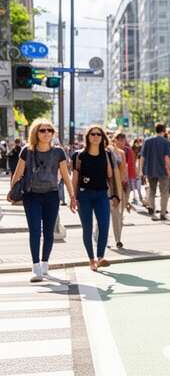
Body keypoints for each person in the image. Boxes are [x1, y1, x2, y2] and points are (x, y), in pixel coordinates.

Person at [9, 119, 74, 282]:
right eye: (43, 130)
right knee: (35, 231)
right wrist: (12, 192)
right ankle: (36, 267)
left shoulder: (58, 152)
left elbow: (66, 177)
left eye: (49, 130)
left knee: (49, 232)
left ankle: (45, 264)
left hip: (52, 195)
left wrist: (72, 197)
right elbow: (17, 174)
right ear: (35, 133)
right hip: (31, 196)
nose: (46, 133)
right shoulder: (27, 151)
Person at [71, 126, 121, 271]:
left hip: (101, 194)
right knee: (87, 228)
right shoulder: (79, 155)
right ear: (87, 137)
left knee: (104, 225)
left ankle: (100, 257)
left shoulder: (107, 154)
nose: (95, 136)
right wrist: (73, 197)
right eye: (92, 134)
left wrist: (116, 195)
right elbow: (75, 178)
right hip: (84, 195)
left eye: (99, 134)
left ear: (102, 137)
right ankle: (91, 259)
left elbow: (111, 176)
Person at [140, 123, 170, 221]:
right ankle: (163, 213)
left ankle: (152, 211)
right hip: (163, 171)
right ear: (164, 131)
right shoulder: (166, 142)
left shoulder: (147, 141)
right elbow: (167, 158)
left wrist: (140, 170)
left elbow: (142, 157)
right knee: (164, 192)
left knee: (152, 191)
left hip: (150, 170)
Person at [109, 132, 134, 249]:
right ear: (115, 140)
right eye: (121, 140)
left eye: (124, 140)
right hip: (111, 187)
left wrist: (126, 185)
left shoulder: (123, 153)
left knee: (120, 214)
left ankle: (118, 237)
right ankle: (116, 239)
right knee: (114, 213)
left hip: (122, 186)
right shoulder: (108, 151)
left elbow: (124, 170)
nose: (123, 143)